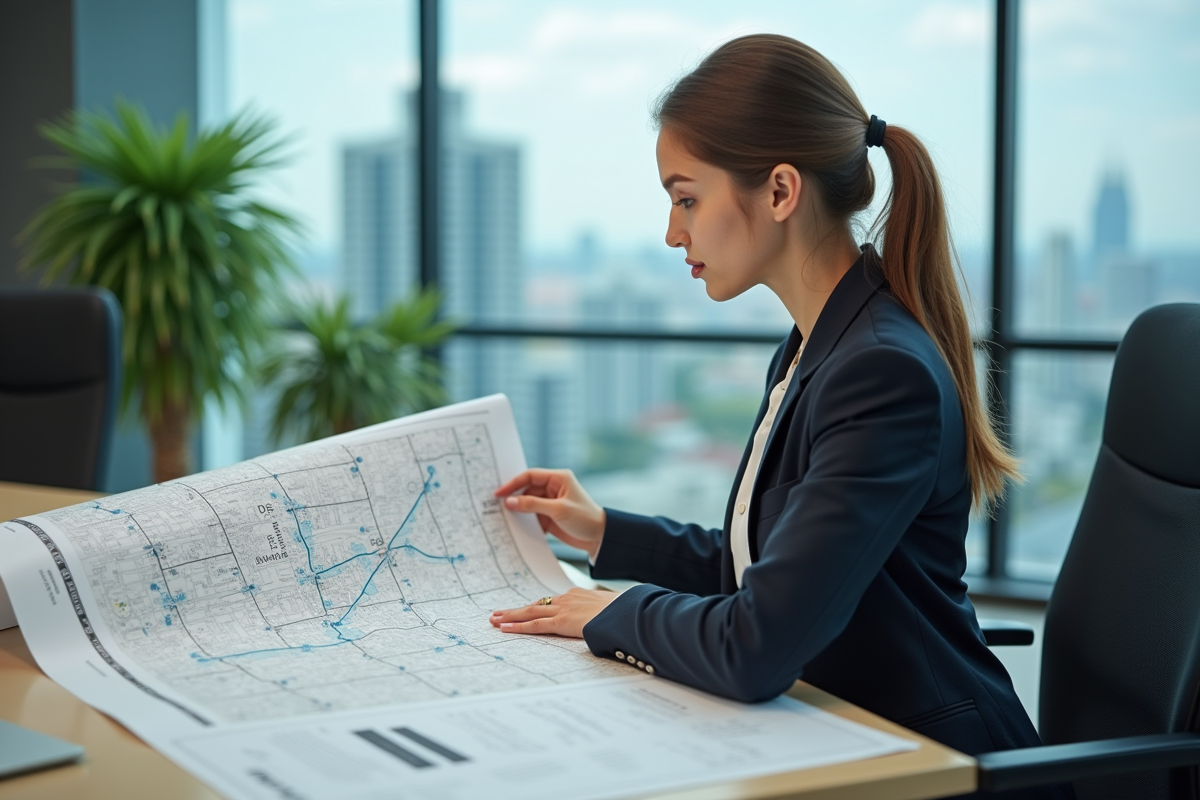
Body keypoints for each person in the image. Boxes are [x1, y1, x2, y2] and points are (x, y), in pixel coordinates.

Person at [490, 33, 1067, 798]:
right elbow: (767, 562)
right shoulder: (817, 343)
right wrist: (606, 533)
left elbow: (756, 644)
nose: (673, 232)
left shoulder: (878, 371)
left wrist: (613, 612)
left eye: (686, 197)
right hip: (838, 731)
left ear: (780, 191)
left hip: (926, 763)